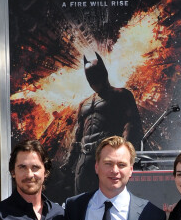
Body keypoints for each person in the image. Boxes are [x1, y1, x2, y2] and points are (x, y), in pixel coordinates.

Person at [61, 52, 143, 195]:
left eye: (95, 77)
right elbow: (78, 135)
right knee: (82, 203)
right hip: (85, 160)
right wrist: (70, 162)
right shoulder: (84, 104)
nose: (94, 82)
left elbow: (131, 125)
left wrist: (124, 154)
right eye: (90, 78)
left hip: (109, 157)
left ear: (103, 74)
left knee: (111, 200)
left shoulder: (121, 95)